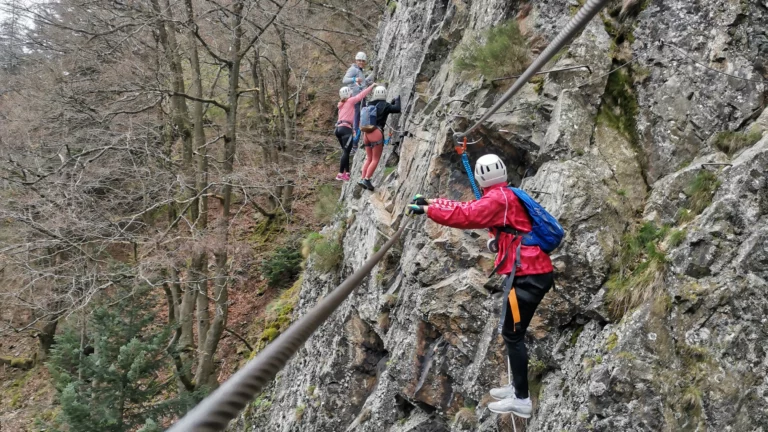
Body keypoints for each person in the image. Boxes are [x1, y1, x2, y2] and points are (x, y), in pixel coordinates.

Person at [405, 154, 554, 419]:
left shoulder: (498, 199)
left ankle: (521, 400)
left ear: (480, 177)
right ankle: (516, 389)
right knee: (512, 332)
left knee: (513, 334)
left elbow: (466, 215)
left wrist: (428, 210)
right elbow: (469, 207)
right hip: (527, 274)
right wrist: (431, 202)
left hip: (527, 277)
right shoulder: (505, 195)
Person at [358, 85, 401, 191]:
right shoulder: (385, 105)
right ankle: (367, 179)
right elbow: (397, 109)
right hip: (376, 133)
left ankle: (363, 178)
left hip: (366, 133)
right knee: (375, 159)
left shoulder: (369, 104)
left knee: (369, 158)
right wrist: (397, 99)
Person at [335, 83, 376, 181]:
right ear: (349, 94)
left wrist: (353, 129)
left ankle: (347, 173)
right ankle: (340, 173)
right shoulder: (350, 101)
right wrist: (372, 86)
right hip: (345, 129)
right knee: (346, 152)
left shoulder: (341, 105)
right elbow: (361, 95)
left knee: (346, 151)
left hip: (338, 129)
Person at [341, 52, 374, 150]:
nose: (361, 62)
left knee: (361, 118)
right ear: (356, 60)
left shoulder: (360, 71)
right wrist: (354, 79)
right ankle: (354, 143)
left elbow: (363, 82)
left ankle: (359, 140)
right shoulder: (353, 69)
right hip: (355, 98)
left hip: (361, 97)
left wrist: (372, 76)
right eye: (359, 60)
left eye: (363, 61)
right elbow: (344, 80)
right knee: (357, 120)